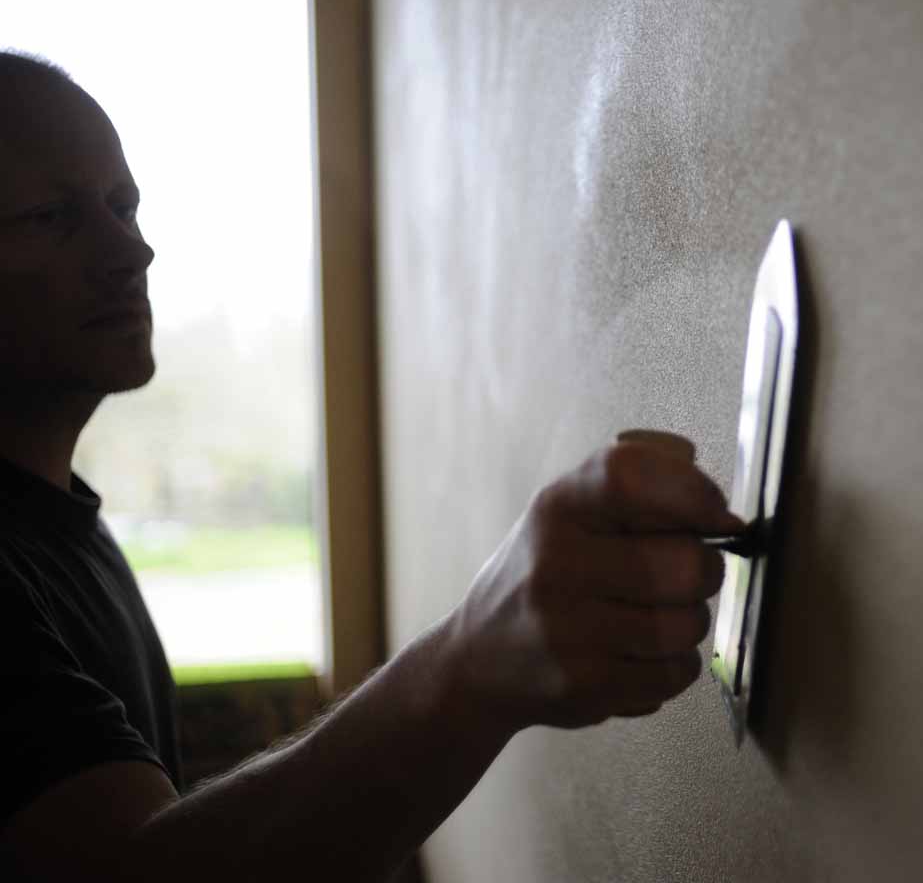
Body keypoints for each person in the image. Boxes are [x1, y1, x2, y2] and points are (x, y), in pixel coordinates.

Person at [0, 49, 744, 882]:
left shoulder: (62, 529)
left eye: (124, 205)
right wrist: (474, 661)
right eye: (52, 217)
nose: (131, 252)